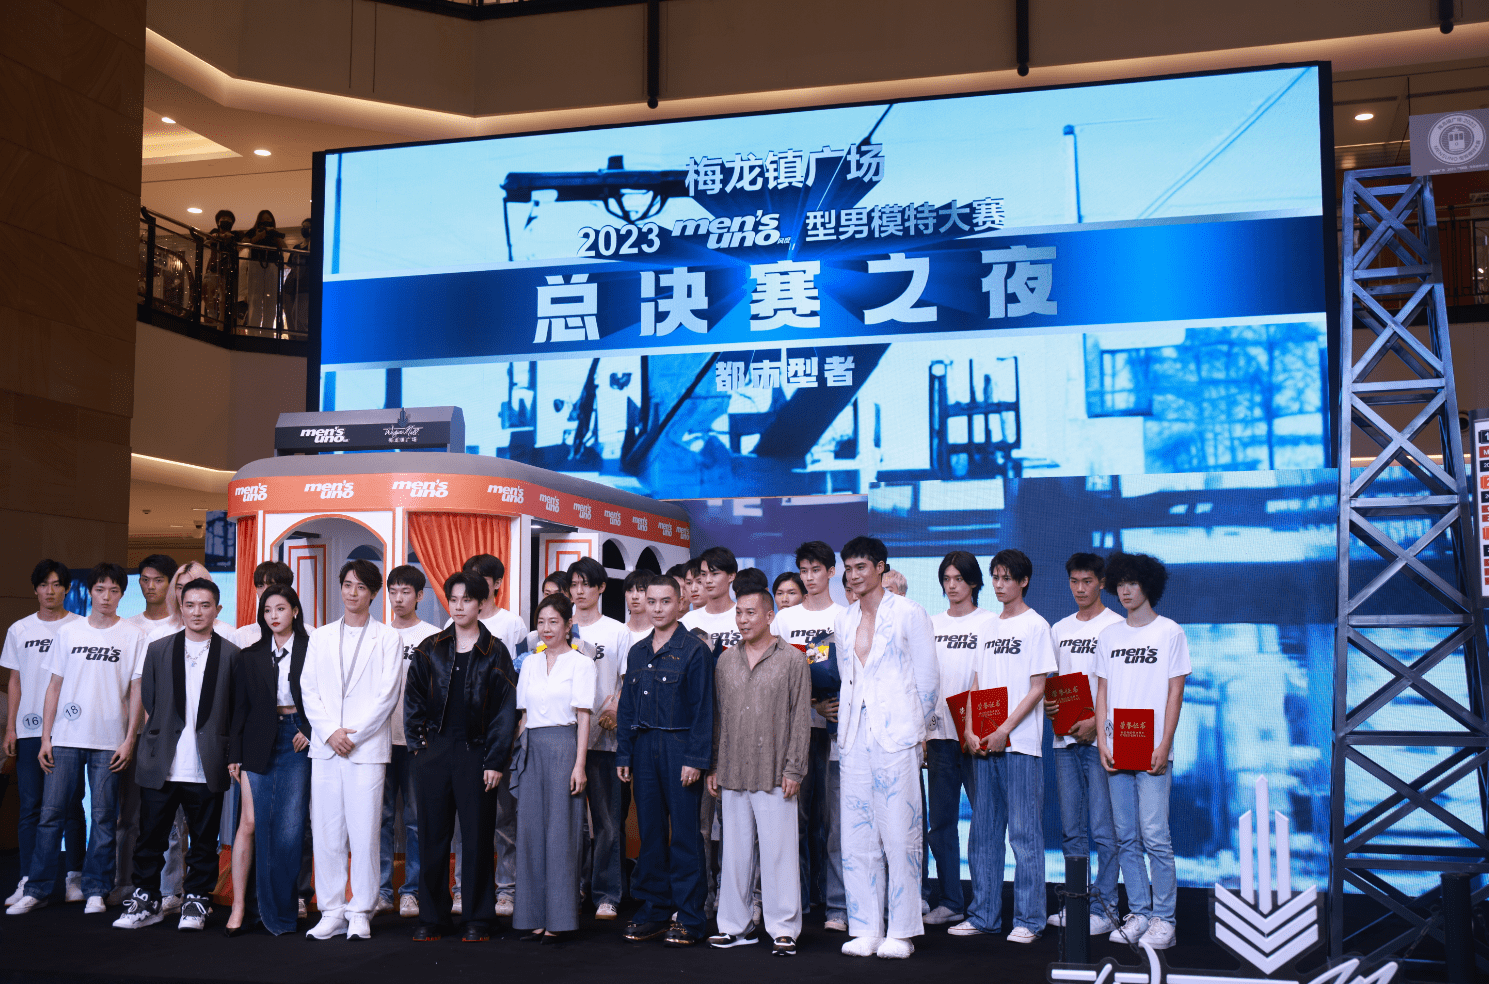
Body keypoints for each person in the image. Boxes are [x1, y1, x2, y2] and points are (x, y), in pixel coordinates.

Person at [8, 563, 146, 916]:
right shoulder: (69, 632)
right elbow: (53, 687)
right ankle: (37, 888)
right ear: (90, 591)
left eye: (114, 590)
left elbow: (137, 691)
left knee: (103, 817)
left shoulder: (134, 635)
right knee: (50, 815)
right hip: (66, 739)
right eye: (100, 589)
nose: (106, 597)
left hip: (109, 741)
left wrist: (129, 740)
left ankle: (96, 887)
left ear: (122, 594)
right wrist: (46, 738)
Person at [113, 579, 239, 931]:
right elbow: (151, 700)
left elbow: (233, 709)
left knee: (204, 840)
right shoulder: (159, 649)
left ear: (217, 609)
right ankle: (147, 899)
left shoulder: (231, 654)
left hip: (207, 761)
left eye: (205, 605)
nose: (197, 612)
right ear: (180, 607)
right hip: (162, 761)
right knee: (150, 837)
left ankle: (197, 899)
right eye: (190, 605)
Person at [833, 536, 938, 960]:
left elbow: (928, 679)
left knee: (900, 835)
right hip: (854, 734)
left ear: (880, 567)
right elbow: (846, 675)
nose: (854, 575)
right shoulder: (844, 618)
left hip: (898, 735)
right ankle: (865, 927)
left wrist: (916, 731)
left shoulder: (910, 613)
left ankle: (902, 928)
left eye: (861, 567)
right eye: (848, 568)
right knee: (857, 837)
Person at [404, 572, 517, 943]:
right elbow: (413, 699)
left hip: (477, 753)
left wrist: (495, 760)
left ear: (481, 603)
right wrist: (419, 747)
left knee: (477, 838)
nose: (458, 606)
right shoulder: (430, 647)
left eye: (466, 599)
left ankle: (479, 918)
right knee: (433, 837)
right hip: (434, 752)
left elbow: (505, 711)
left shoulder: (496, 650)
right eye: (453, 599)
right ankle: (432, 918)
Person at [952, 549, 1055, 943]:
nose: (999, 584)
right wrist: (969, 729)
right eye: (995, 577)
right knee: (983, 834)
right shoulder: (987, 627)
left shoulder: (1036, 625)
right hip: (984, 744)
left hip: (1020, 746)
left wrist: (1005, 730)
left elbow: (1038, 687)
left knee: (1025, 836)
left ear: (1023, 581)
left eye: (1007, 578)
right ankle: (983, 915)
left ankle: (1029, 919)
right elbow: (977, 684)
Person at [299, 560, 403, 940]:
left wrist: (352, 736)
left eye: (360, 586)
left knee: (365, 833)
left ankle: (361, 910)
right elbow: (308, 689)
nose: (352, 592)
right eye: (347, 584)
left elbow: (387, 695)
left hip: (366, 750)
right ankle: (331, 910)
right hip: (326, 749)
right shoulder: (321, 636)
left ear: (373, 593)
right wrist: (330, 733)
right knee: (326, 833)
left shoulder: (388, 638)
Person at [707, 584, 810, 956]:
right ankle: (735, 927)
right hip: (732, 769)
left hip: (775, 770)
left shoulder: (793, 659)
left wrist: (794, 769)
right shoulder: (725, 661)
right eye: (739, 613)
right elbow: (718, 718)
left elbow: (800, 717)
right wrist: (714, 765)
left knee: (779, 854)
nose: (743, 620)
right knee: (733, 855)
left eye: (750, 613)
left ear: (769, 616)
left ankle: (784, 929)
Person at [1095, 552, 1189, 951]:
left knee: (1155, 835)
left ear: (1148, 585)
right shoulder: (1109, 636)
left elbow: (1175, 692)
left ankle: (1165, 919)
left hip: (1152, 748)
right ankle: (1140, 914)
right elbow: (1102, 692)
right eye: (1120, 584)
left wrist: (1165, 743)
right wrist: (1102, 740)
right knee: (1126, 837)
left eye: (1132, 583)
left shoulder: (1170, 632)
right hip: (1116, 746)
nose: (1125, 591)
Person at [616, 575, 715, 947]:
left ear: (680, 603)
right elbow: (627, 707)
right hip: (643, 748)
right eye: (652, 601)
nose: (657, 609)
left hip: (679, 747)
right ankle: (655, 911)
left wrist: (696, 758)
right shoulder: (637, 651)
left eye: (665, 601)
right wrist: (624, 751)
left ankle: (690, 918)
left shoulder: (694, 650)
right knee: (651, 834)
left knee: (686, 836)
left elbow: (704, 709)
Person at [1044, 553, 1124, 935]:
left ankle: (1106, 908)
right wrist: (1050, 706)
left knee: (1104, 830)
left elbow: (1124, 687)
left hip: (1102, 741)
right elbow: (1053, 682)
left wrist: (1098, 724)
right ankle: (1077, 905)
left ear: (1101, 583)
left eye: (1087, 581)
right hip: (1065, 741)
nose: (1080, 588)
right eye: (1074, 581)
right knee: (1072, 830)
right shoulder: (1059, 628)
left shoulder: (1117, 626)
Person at [226, 585, 312, 936]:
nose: (273, 616)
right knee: (249, 822)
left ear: (295, 611)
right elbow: (239, 708)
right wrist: (234, 754)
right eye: (267, 610)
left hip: (296, 737)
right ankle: (239, 906)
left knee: (290, 829)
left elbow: (328, 695)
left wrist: (310, 729)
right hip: (257, 738)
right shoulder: (250, 655)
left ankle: (282, 909)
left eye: (280, 608)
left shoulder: (312, 648)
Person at [772, 541, 845, 930]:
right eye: (804, 570)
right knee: (794, 823)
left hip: (836, 735)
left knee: (834, 824)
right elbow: (774, 676)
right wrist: (813, 705)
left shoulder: (844, 617)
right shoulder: (784, 620)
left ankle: (837, 905)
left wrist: (832, 706)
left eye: (816, 570)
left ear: (831, 572)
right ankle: (795, 901)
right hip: (794, 733)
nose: (810, 577)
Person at [513, 593, 595, 942]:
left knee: (561, 835)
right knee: (530, 833)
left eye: (554, 622)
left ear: (568, 625)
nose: (546, 628)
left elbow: (583, 717)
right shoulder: (530, 663)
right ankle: (532, 916)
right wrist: (515, 758)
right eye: (541, 622)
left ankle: (560, 919)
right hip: (531, 747)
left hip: (565, 746)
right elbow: (523, 717)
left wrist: (580, 765)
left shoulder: (581, 664)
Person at [3, 561, 84, 910]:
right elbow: (15, 680)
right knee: (30, 806)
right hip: (29, 730)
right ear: (35, 589)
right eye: (43, 585)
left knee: (71, 806)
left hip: (69, 731)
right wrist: (11, 727)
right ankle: (27, 878)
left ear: (66, 588)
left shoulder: (80, 627)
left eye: (56, 584)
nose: (50, 591)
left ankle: (74, 876)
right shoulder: (19, 629)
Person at [454, 553, 526, 917]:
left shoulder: (512, 624)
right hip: (462, 737)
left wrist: (512, 726)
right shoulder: (454, 623)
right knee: (463, 819)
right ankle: (461, 889)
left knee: (503, 817)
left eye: (480, 581)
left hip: (501, 730)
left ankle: (506, 890)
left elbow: (521, 676)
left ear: (495, 584)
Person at [924, 551, 991, 927]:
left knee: (986, 823)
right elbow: (921, 680)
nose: (952, 586)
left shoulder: (990, 623)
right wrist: (922, 731)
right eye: (946, 579)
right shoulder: (931, 624)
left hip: (979, 738)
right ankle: (951, 900)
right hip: (939, 736)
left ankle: (986, 904)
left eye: (959, 579)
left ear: (974, 583)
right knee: (941, 825)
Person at [567, 557, 633, 920]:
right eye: (574, 585)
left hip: (606, 740)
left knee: (608, 822)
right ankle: (572, 886)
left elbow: (627, 682)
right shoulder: (560, 627)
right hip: (566, 739)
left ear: (601, 588)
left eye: (586, 584)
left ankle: (607, 893)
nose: (579, 591)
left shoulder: (617, 631)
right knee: (571, 823)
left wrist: (615, 709)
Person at [378, 566, 438, 919]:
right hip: (379, 741)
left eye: (405, 592)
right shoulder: (379, 635)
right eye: (393, 591)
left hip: (417, 742)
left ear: (420, 596)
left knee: (416, 820)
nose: (398, 598)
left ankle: (411, 892)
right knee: (381, 819)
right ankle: (382, 890)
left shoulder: (433, 637)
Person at [682, 548, 740, 653]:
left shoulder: (745, 615)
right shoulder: (688, 621)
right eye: (704, 574)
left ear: (731, 576)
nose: (708, 580)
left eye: (715, 574)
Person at [232, 561, 295, 649]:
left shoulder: (310, 634)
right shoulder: (241, 636)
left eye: (271, 585)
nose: (265, 591)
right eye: (260, 586)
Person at [240, 210, 285, 331]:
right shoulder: (252, 231)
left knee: (271, 301)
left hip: (272, 265)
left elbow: (284, 247)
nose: (266, 222)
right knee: (255, 299)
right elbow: (242, 244)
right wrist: (258, 236)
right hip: (256, 264)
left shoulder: (275, 233)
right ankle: (253, 332)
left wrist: (274, 234)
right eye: (263, 219)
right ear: (259, 221)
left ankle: (268, 332)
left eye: (268, 219)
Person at [124, 555, 177, 637]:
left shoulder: (182, 625)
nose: (150, 586)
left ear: (171, 583)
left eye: (158, 580)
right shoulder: (128, 625)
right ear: (139, 581)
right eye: (145, 580)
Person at [203, 209, 239, 327]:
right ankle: (211, 320)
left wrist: (230, 237)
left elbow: (242, 242)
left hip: (228, 272)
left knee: (224, 301)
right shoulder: (213, 232)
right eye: (223, 219)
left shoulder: (235, 235)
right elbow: (207, 240)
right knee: (208, 292)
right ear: (218, 222)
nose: (226, 221)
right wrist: (219, 236)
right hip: (213, 268)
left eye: (229, 219)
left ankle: (221, 325)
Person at [623, 569, 654, 636]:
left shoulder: (661, 634)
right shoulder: (618, 632)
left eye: (641, 590)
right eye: (630, 590)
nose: (634, 596)